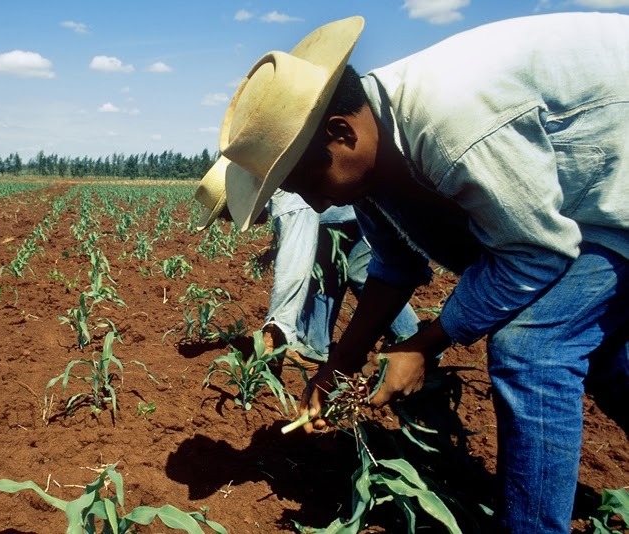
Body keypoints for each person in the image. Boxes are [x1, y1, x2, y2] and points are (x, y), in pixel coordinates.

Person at [211, 13, 629, 533]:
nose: (316, 205)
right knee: (600, 345)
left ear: (342, 133)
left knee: (534, 349)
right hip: (593, 201)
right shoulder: (376, 155)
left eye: (306, 181)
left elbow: (535, 253)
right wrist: (336, 369)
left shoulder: (450, 124)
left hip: (616, 191)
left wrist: (421, 345)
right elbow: (395, 266)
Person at [194, 160, 426, 366]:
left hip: (379, 207)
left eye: (230, 214)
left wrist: (276, 327)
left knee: (365, 273)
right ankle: (315, 349)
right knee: (345, 268)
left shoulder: (282, 193)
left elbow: (294, 267)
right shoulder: (274, 180)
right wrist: (276, 247)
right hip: (353, 214)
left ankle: (419, 348)